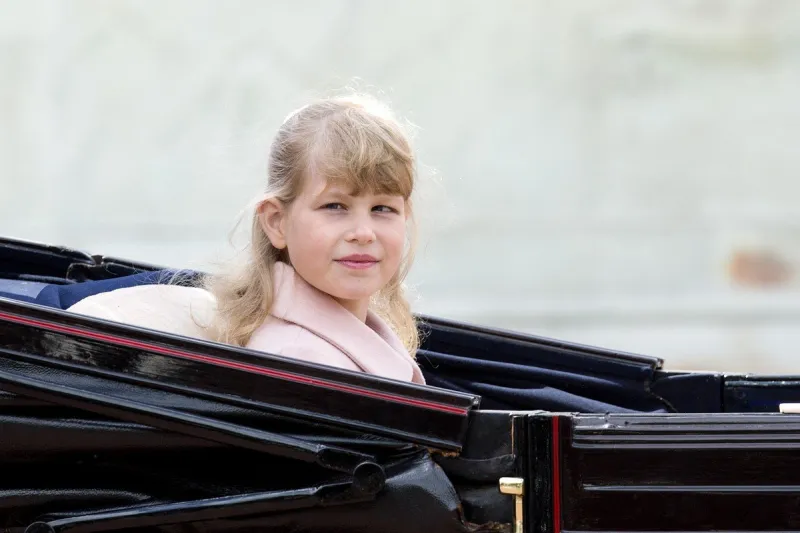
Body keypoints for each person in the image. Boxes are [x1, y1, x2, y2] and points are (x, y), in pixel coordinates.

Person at [67, 94, 425, 384]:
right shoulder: (300, 363)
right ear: (277, 222)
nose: (363, 233)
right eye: (335, 206)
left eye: (382, 208)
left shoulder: (360, 335)